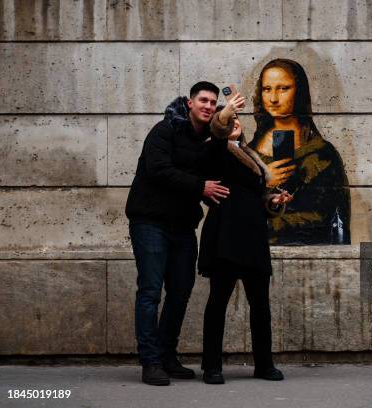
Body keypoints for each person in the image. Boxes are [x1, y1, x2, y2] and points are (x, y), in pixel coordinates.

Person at [125, 81, 238, 386]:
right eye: (203, 100)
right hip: (150, 221)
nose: (208, 106)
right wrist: (200, 186)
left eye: (213, 103)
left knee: (180, 292)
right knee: (150, 291)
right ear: (189, 103)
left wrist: (223, 134)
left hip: (183, 226)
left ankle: (166, 355)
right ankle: (150, 362)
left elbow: (214, 173)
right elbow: (158, 169)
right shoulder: (165, 130)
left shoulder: (208, 138)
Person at [198, 101, 293, 384]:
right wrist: (224, 114)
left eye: (238, 120)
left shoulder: (250, 156)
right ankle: (212, 367)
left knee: (260, 305)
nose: (235, 122)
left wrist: (274, 201)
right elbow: (216, 133)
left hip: (252, 237)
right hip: (226, 236)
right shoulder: (217, 151)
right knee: (218, 303)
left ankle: (264, 365)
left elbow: (256, 196)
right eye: (230, 120)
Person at [249, 58, 351, 245]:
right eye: (267, 89)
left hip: (311, 252)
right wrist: (264, 182)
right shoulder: (249, 152)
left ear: (299, 92)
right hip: (258, 253)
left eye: (283, 88)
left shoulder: (324, 154)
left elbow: (339, 219)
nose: (273, 98)